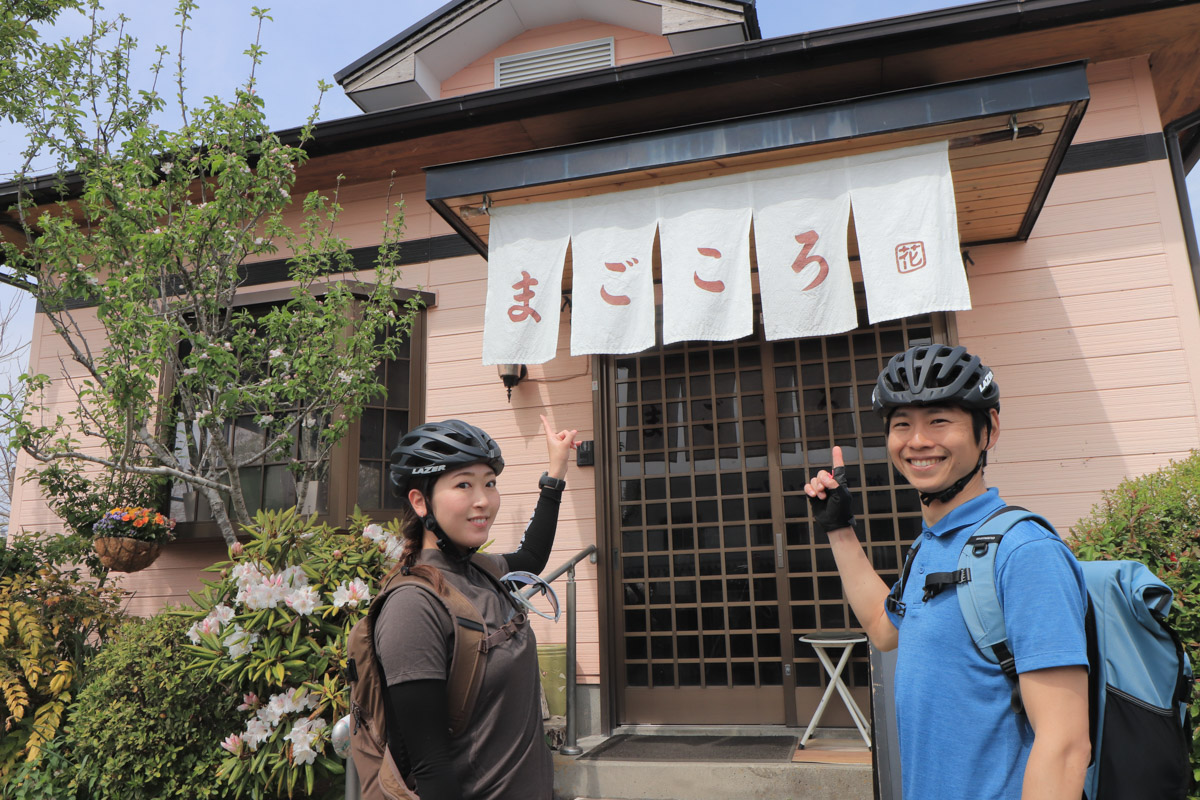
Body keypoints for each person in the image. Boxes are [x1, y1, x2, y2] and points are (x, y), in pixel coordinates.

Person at [804, 344, 1091, 800]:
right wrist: (838, 529)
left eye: (939, 420)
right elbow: (884, 630)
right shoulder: (930, 546)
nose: (917, 440)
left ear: (988, 430)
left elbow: (1066, 745)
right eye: (902, 425)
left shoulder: (1025, 552)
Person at [376, 414, 578, 800]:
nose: (483, 500)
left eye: (490, 483)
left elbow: (531, 556)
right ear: (419, 501)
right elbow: (431, 768)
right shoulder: (413, 607)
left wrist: (556, 470)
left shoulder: (480, 571)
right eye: (464, 485)